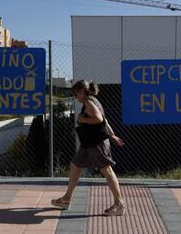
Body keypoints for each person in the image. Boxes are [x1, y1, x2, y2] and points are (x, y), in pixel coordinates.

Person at [51, 80, 126, 216]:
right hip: (89, 143)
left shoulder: (89, 102)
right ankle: (66, 199)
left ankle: (119, 203)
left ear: (82, 92)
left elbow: (98, 119)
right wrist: (113, 135)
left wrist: (81, 119)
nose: (75, 97)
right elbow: (105, 120)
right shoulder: (94, 101)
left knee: (107, 171)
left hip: (96, 143)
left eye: (76, 94)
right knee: (75, 165)